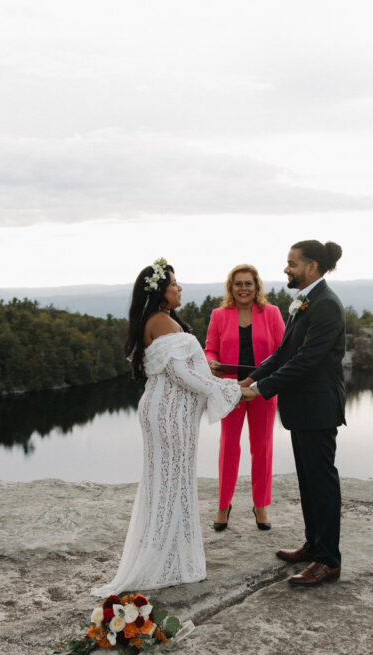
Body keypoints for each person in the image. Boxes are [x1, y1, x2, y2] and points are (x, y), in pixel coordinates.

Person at [92, 258, 253, 596]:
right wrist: (230, 390)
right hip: (169, 414)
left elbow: (183, 372)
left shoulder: (158, 320)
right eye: (175, 284)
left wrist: (224, 384)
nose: (180, 288)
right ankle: (161, 563)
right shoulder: (162, 322)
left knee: (166, 483)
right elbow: (183, 375)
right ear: (160, 293)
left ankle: (170, 559)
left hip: (165, 410)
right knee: (170, 485)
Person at [240, 240, 346, 587]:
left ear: (312, 267)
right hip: (302, 408)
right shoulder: (306, 301)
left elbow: (307, 360)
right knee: (308, 481)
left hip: (318, 407)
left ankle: (328, 561)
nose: (287, 269)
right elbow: (285, 352)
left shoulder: (326, 305)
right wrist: (253, 377)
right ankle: (314, 546)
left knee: (322, 484)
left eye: (292, 263)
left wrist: (260, 390)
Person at [204, 264, 286, 532]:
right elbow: (209, 350)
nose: (243, 288)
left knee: (261, 447)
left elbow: (282, 351)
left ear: (256, 286)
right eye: (238, 284)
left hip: (262, 389)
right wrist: (212, 363)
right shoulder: (219, 315)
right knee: (229, 446)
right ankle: (223, 505)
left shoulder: (271, 313)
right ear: (231, 287)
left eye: (248, 283)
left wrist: (264, 383)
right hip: (230, 390)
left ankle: (260, 506)